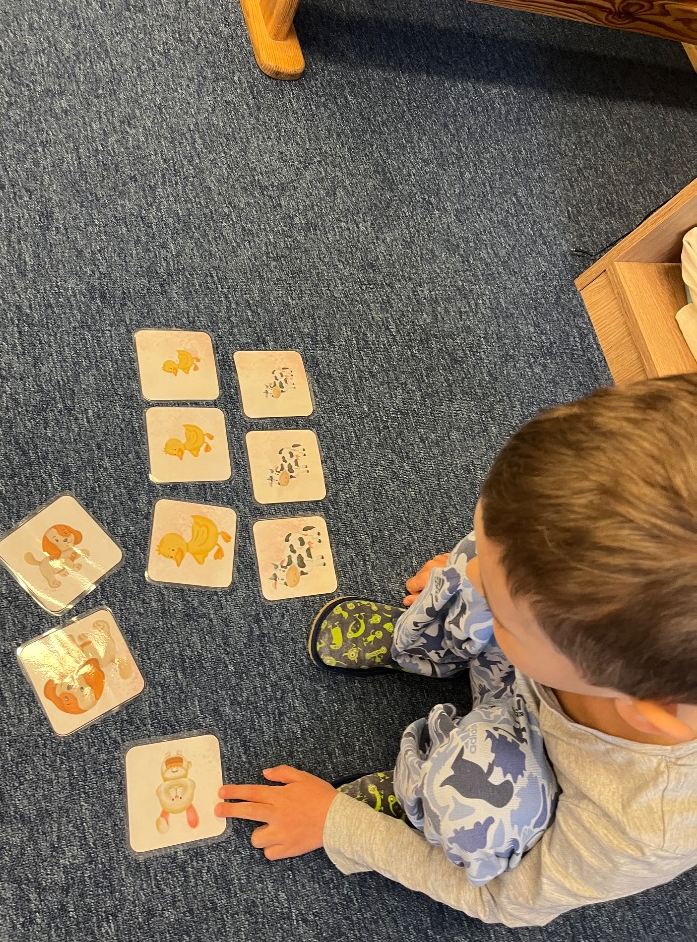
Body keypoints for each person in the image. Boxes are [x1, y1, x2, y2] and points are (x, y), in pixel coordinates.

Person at [215, 374, 697, 927]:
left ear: (647, 708)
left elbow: (502, 902)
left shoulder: (645, 826)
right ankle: (436, 640)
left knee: (474, 815)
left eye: (505, 616)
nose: (464, 580)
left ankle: (418, 793)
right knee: (500, 560)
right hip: (543, 667)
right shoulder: (624, 644)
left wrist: (337, 824)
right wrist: (479, 574)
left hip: (527, 775)